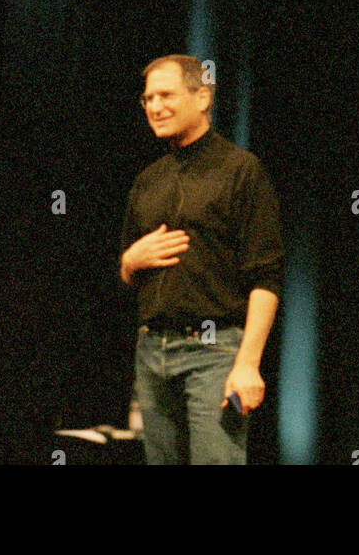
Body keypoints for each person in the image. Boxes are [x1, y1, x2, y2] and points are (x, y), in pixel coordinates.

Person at [119, 54, 284, 465]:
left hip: (213, 350)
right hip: (152, 350)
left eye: (166, 95)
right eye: (147, 98)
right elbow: (127, 275)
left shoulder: (241, 170)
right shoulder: (148, 180)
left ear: (202, 97)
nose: (155, 107)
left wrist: (248, 364)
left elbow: (266, 276)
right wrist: (129, 262)